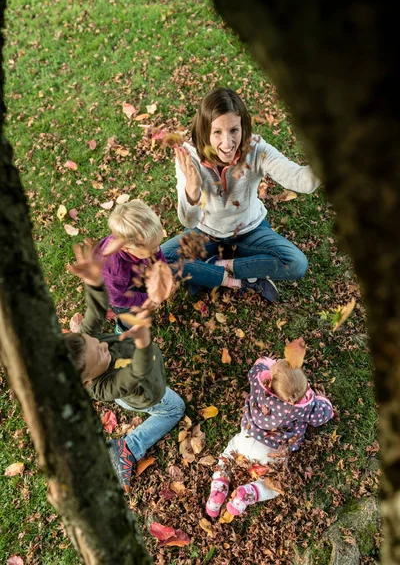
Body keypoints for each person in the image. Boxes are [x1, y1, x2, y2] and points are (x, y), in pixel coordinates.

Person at [161, 87, 320, 301]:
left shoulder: (256, 149)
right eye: (217, 132)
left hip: (248, 231)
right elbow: (189, 219)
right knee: (158, 260)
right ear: (205, 130)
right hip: (204, 233)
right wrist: (192, 186)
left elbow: (302, 180)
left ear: (243, 127)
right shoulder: (188, 155)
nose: (227, 144)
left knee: (296, 263)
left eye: (234, 130)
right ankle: (239, 277)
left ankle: (212, 269)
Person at [65, 243, 185, 492]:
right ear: (87, 381)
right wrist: (142, 345)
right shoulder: (104, 388)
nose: (100, 346)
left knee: (116, 338)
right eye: (98, 354)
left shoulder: (88, 344)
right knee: (175, 409)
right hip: (146, 391)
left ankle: (126, 335)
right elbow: (136, 374)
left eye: (93, 341)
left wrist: (94, 283)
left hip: (137, 354)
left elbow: (96, 312)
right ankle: (129, 446)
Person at [205, 355, 333, 517]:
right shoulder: (303, 407)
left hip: (246, 439)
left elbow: (257, 367)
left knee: (227, 457)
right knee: (275, 484)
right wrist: (325, 402)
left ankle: (218, 488)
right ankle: (248, 493)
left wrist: (268, 363)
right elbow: (321, 415)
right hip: (271, 454)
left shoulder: (258, 386)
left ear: (270, 383)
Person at [95, 199, 166, 333]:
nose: (156, 250)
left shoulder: (133, 240)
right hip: (116, 295)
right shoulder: (114, 271)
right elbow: (118, 298)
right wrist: (147, 300)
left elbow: (156, 258)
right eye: (151, 249)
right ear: (126, 249)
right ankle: (123, 328)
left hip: (131, 275)